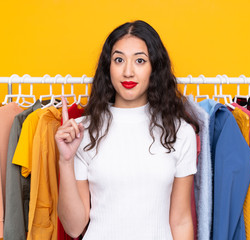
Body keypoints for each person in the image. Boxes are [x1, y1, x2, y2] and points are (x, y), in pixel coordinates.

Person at [55, 20, 199, 240]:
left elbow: (180, 221)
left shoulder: (180, 133)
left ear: (154, 68)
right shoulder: (84, 131)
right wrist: (65, 161)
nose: (128, 71)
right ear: (108, 67)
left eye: (140, 60)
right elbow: (74, 227)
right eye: (119, 60)